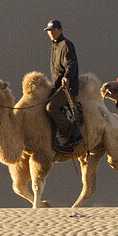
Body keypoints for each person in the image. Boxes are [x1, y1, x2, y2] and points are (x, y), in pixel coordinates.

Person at [43, 19, 83, 152]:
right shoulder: (54, 46)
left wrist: (66, 78)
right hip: (57, 88)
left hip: (67, 89)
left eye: (53, 30)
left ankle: (73, 134)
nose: (51, 33)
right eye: (49, 31)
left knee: (51, 107)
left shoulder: (66, 44)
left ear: (60, 30)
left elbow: (71, 64)